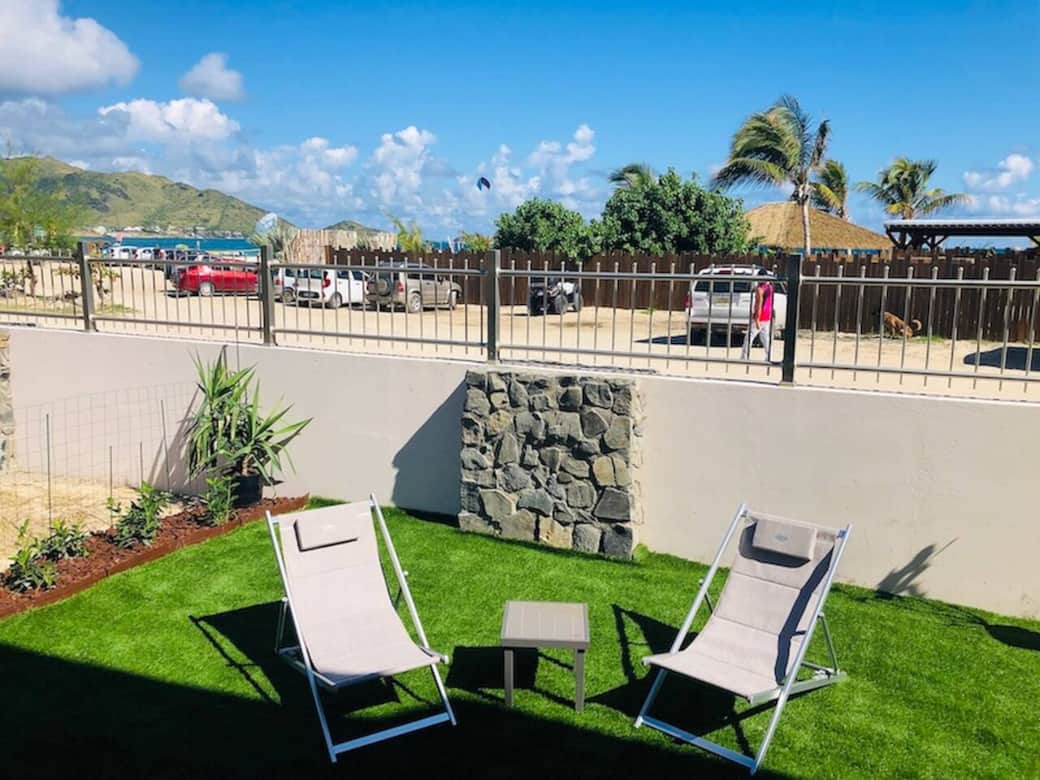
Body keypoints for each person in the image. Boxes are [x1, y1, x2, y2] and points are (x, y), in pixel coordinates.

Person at [741, 268, 774, 360]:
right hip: (768, 315)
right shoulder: (770, 287)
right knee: (765, 337)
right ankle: (769, 355)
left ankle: (744, 356)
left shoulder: (760, 289)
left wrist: (756, 318)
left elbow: (758, 304)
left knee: (749, 337)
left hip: (761, 315)